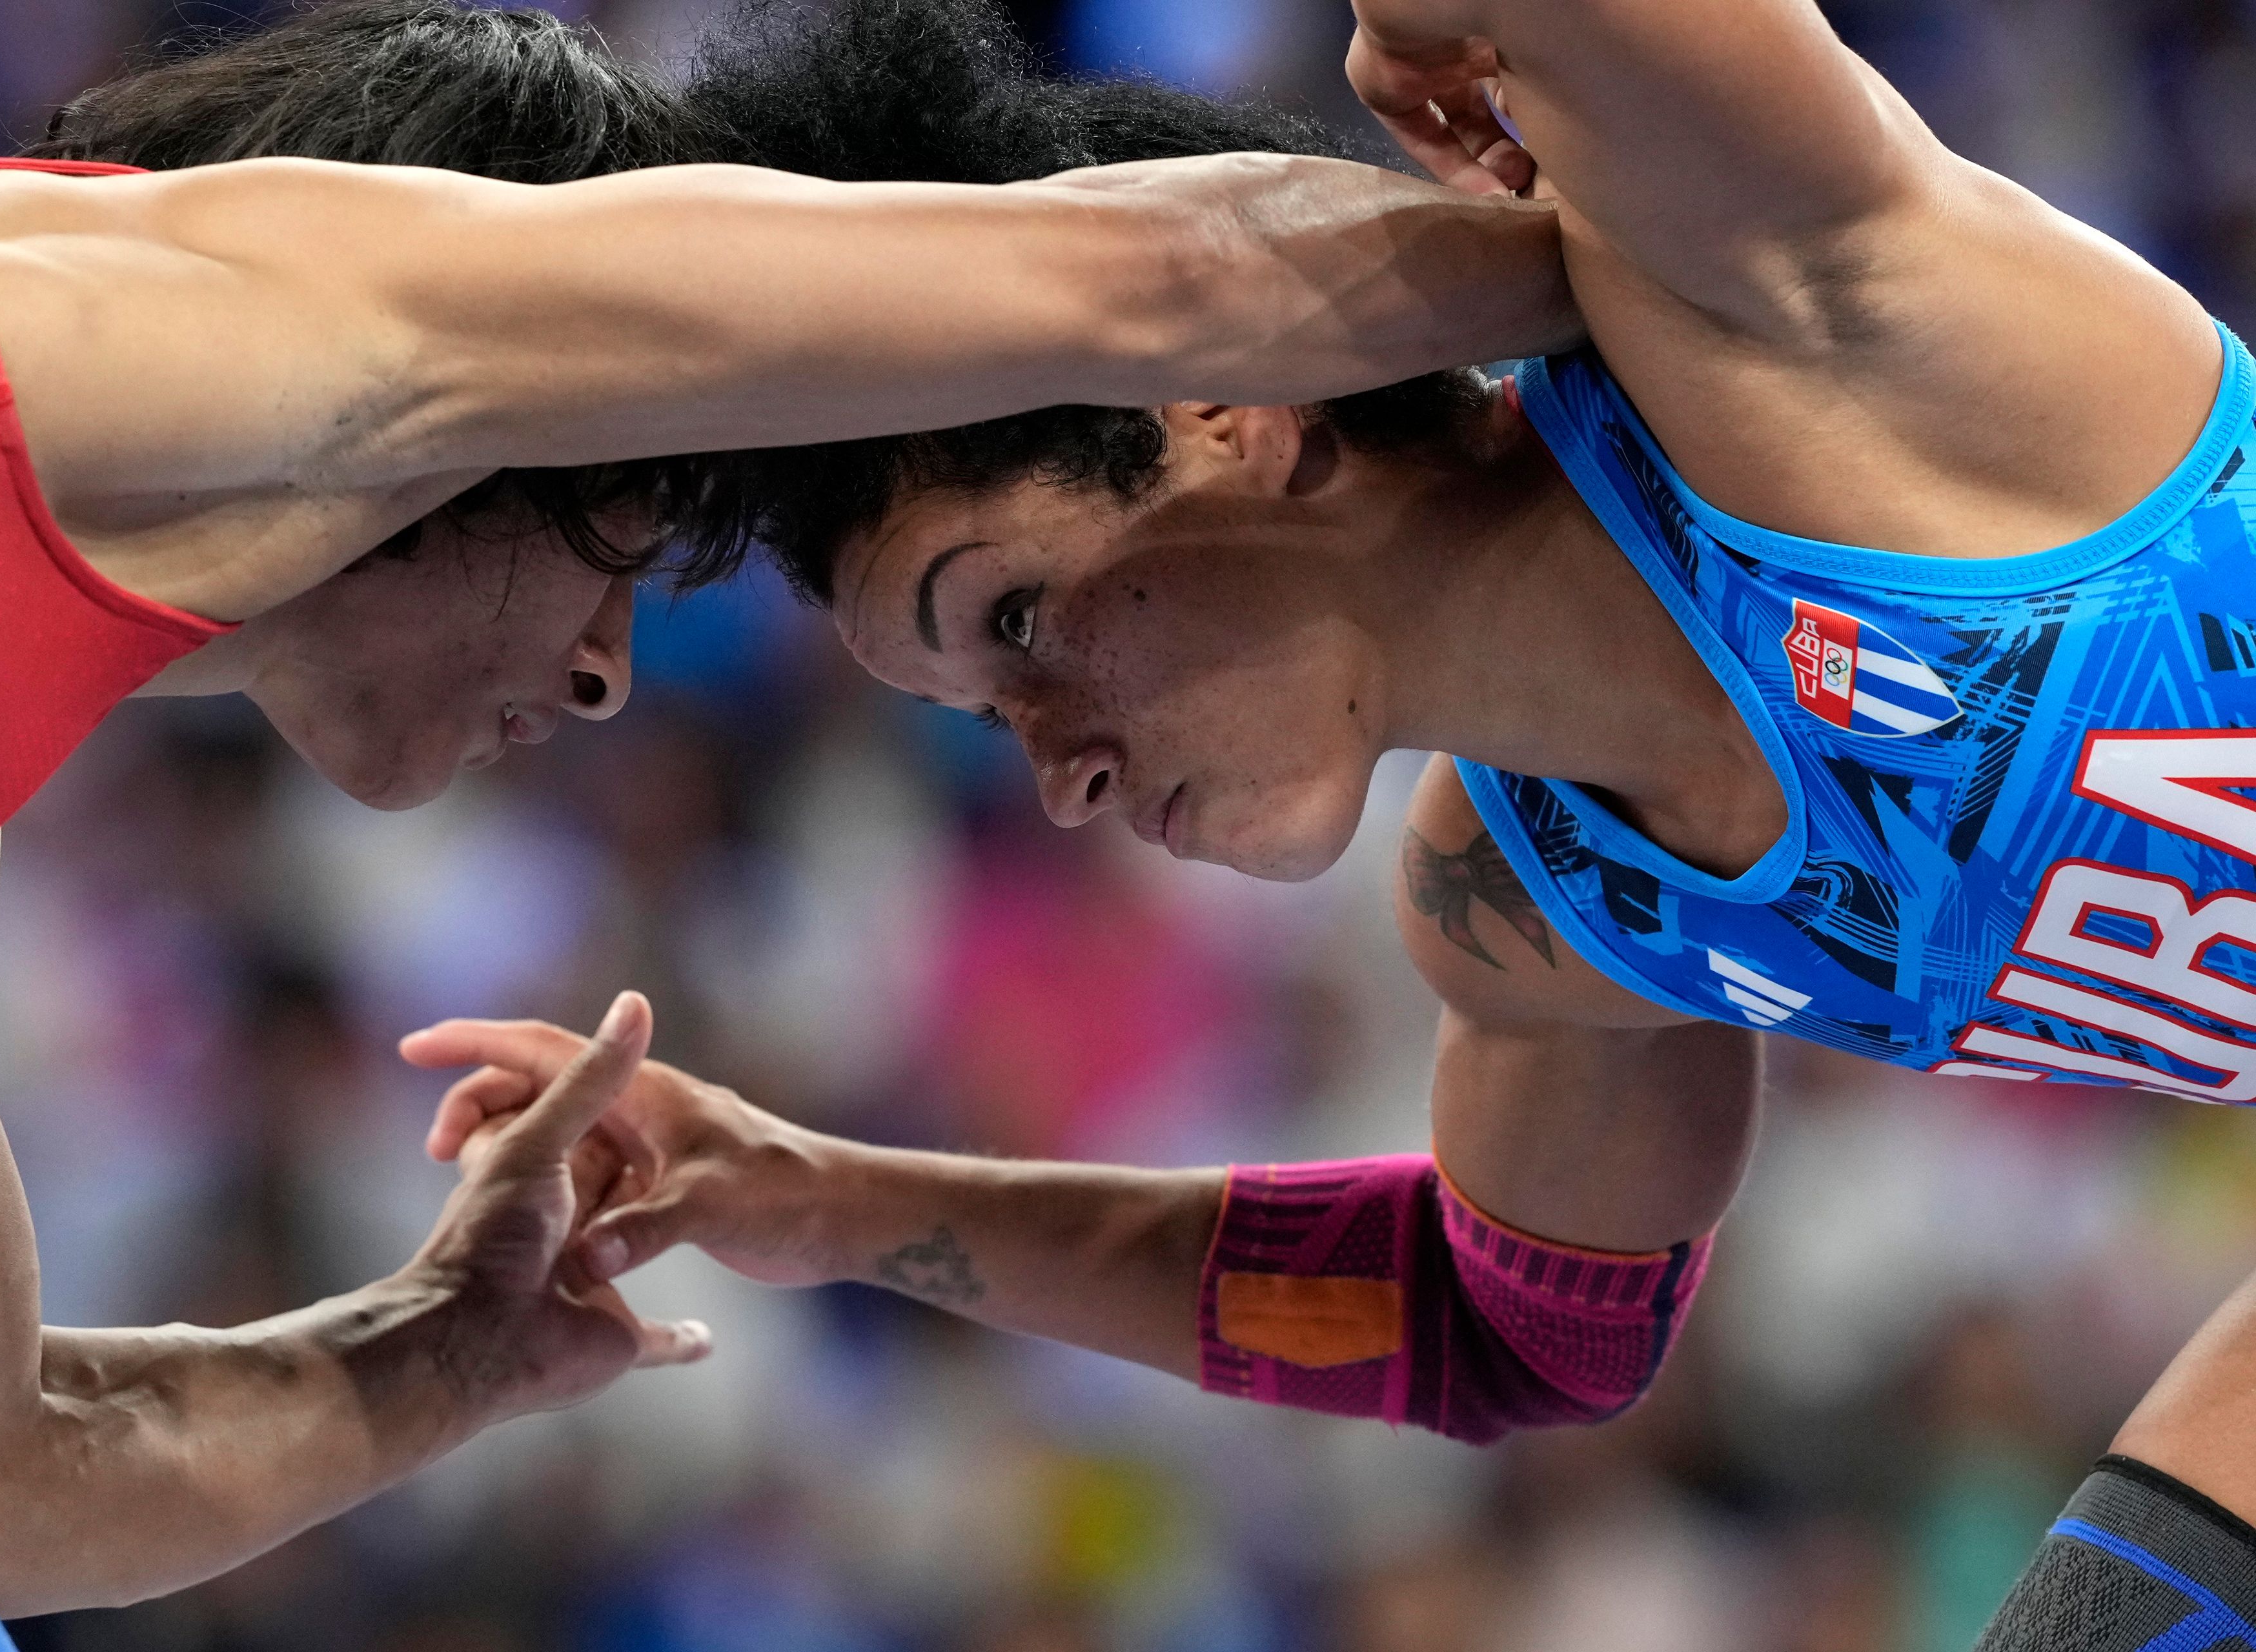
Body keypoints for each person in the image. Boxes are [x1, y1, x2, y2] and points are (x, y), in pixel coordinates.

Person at [399, 0, 2256, 1633]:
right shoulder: (1535, 910)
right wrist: (810, 1195)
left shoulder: (1760, 317)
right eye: (982, 714)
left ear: (1229, 407)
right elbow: (1499, 1328)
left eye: (1022, 621)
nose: (1059, 770)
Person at [0, 0, 1582, 1618]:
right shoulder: (229, 285)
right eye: (618, 548)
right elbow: (1168, 282)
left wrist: (426, 1364)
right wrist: (1688, 304)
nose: (602, 681)